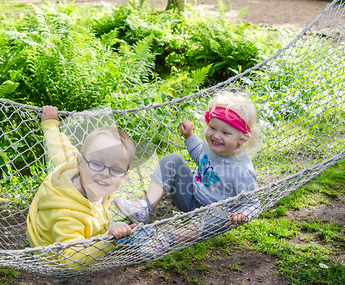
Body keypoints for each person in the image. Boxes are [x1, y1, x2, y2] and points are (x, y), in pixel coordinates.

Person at [114, 91, 260, 255]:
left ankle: (165, 239)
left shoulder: (241, 170)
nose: (216, 136)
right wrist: (190, 136)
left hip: (214, 216)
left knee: (219, 214)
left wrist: (243, 214)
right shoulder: (212, 147)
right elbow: (199, 154)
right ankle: (146, 209)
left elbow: (252, 203)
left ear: (243, 139)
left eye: (225, 133)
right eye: (212, 128)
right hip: (190, 197)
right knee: (172, 160)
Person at [26, 105, 136, 268]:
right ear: (80, 163)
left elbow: (59, 146)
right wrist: (108, 241)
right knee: (131, 236)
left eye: (116, 169)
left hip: (85, 230)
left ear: (125, 176)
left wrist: (50, 124)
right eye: (97, 164)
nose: (106, 173)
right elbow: (71, 259)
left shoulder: (73, 167)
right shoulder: (66, 214)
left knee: (125, 230)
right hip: (53, 256)